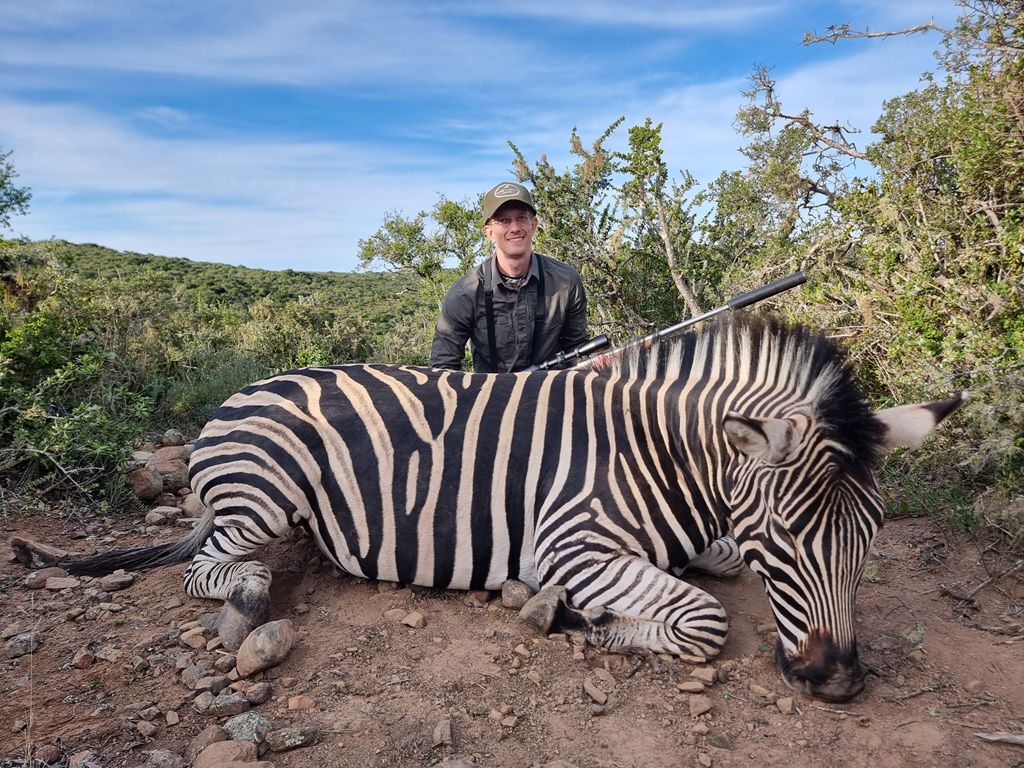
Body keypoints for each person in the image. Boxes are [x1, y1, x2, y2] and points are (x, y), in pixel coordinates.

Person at [429, 182, 588, 373]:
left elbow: (577, 349)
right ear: (489, 232)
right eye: (504, 220)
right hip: (491, 396)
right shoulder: (465, 292)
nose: (514, 228)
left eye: (521, 218)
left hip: (550, 392)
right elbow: (443, 366)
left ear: (533, 224)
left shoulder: (566, 281)